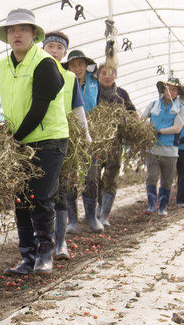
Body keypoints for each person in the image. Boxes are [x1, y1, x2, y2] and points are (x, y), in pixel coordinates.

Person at [0, 8, 68, 276]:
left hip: (48, 140)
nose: (16, 34)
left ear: (33, 34)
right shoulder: (2, 66)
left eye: (23, 30)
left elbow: (39, 110)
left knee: (40, 197)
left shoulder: (45, 64)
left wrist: (12, 140)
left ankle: (45, 255)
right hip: (18, 143)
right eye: (12, 30)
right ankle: (27, 257)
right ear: (7, 36)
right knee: (21, 199)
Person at [41, 31, 91, 260]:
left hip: (63, 141)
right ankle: (41, 242)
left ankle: (60, 243)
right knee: (40, 194)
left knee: (60, 190)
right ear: (42, 48)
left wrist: (85, 136)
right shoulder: (33, 71)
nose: (54, 51)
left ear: (64, 53)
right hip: (36, 140)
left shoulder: (70, 78)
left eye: (59, 48)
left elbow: (78, 109)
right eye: (50, 46)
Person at [62, 50, 103, 233]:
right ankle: (72, 220)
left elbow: (98, 105)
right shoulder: (65, 81)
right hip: (70, 134)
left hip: (90, 135)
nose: (77, 68)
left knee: (92, 177)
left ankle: (91, 217)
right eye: (73, 65)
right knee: (70, 177)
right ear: (68, 67)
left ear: (86, 66)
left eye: (80, 64)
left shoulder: (95, 82)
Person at [94, 63, 136, 226]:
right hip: (97, 143)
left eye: (110, 73)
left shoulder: (121, 94)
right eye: (104, 73)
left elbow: (133, 113)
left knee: (111, 178)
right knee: (94, 177)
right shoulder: (94, 91)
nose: (107, 76)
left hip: (115, 143)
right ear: (98, 75)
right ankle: (99, 206)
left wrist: (135, 127)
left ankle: (104, 215)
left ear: (115, 75)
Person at [142, 77, 184, 217]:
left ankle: (162, 207)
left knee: (167, 181)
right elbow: (142, 119)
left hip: (170, 150)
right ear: (163, 89)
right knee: (151, 177)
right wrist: (144, 129)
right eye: (168, 89)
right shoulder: (154, 104)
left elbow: (177, 128)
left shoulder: (180, 108)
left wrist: (159, 131)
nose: (170, 92)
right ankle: (151, 206)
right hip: (153, 148)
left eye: (174, 90)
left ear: (178, 93)